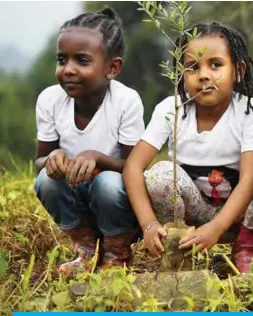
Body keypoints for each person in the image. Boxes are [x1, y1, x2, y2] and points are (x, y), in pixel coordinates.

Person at [122, 22, 253, 279]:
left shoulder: (250, 112)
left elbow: (251, 179)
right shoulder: (171, 109)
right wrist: (149, 224)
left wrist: (217, 227)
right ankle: (177, 249)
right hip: (191, 212)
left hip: (238, 215)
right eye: (193, 67)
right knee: (160, 174)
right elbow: (133, 167)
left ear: (238, 71)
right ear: (180, 73)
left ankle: (244, 251)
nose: (204, 75)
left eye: (216, 65)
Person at [33, 7, 145, 276]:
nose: (68, 69)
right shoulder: (50, 99)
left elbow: (135, 167)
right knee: (45, 181)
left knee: (107, 183)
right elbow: (39, 161)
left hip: (117, 200)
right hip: (77, 197)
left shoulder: (125, 102)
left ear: (112, 68)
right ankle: (86, 249)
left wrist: (99, 158)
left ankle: (117, 251)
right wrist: (52, 159)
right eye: (62, 60)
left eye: (82, 61)